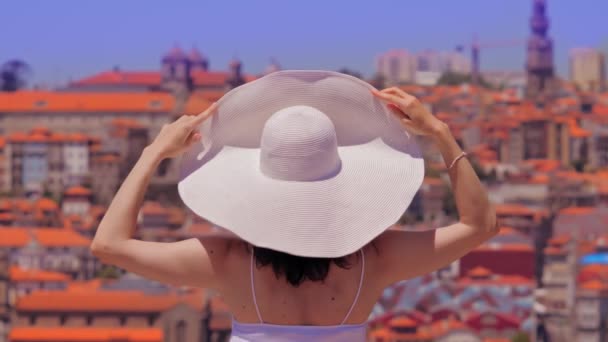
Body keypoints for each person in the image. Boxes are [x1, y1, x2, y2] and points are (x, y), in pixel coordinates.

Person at [91, 70, 496, 342]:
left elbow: (108, 245)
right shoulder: (377, 260)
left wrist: (152, 154)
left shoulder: (228, 263)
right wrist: (441, 134)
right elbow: (479, 225)